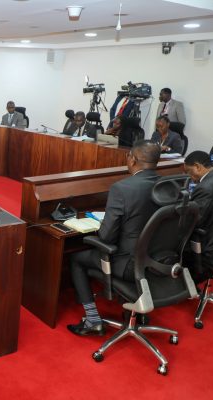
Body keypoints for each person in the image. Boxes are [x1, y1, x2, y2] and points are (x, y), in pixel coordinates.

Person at [67, 140, 161, 336]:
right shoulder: (167, 184)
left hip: (129, 264)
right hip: (159, 260)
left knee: (76, 259)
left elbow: (106, 236)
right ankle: (137, 313)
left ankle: (93, 320)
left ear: (133, 159)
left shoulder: (122, 188)